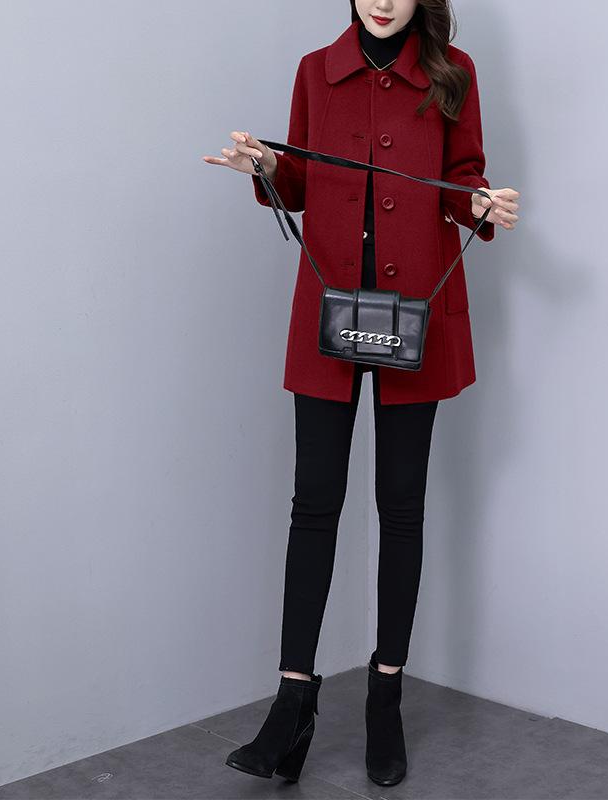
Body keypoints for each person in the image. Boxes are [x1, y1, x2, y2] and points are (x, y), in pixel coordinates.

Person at [202, 0, 520, 786]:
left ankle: (385, 696)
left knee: (400, 506)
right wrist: (267, 167)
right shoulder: (317, 71)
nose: (381, 0)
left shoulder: (453, 73)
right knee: (313, 504)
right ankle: (292, 704)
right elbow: (301, 183)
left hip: (419, 316)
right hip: (329, 312)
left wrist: (479, 203)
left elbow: (460, 180)